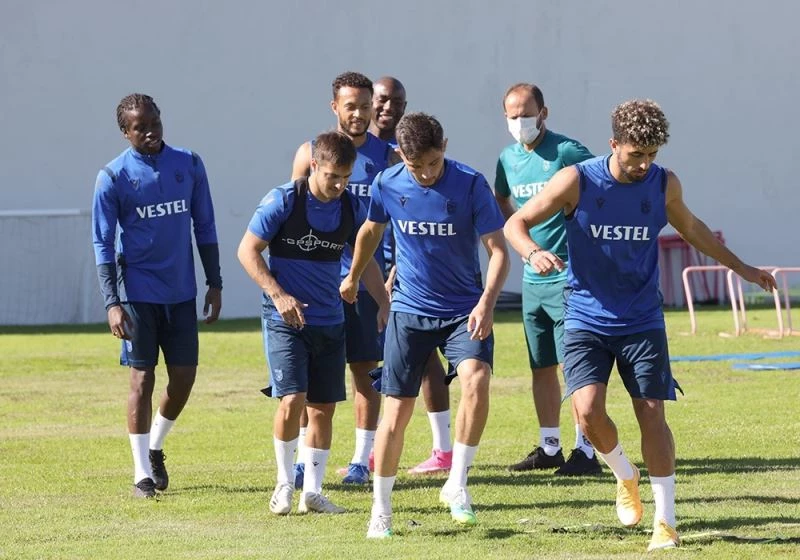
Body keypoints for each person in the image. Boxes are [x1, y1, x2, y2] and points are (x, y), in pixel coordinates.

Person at [503, 99, 777, 551]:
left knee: (652, 413)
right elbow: (517, 222)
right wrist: (532, 253)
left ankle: (665, 522)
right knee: (588, 414)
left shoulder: (664, 183)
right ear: (614, 144)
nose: (644, 164)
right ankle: (624, 473)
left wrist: (742, 268)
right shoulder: (577, 180)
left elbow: (693, 229)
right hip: (586, 315)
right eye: (636, 155)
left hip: (642, 318)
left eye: (652, 154)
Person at [341, 112, 510, 538]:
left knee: (476, 379)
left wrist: (487, 303)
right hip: (410, 311)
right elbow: (369, 232)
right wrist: (354, 275)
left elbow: (498, 251)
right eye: (417, 166)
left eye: (433, 163)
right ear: (401, 156)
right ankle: (381, 509)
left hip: (463, 310)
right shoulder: (387, 183)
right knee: (396, 412)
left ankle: (457, 483)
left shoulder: (471, 184)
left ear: (444, 147)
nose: (426, 173)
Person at [238, 131, 389, 515]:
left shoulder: (351, 207)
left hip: (330, 320)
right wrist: (278, 295)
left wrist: (383, 301)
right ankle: (284, 484)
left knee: (324, 408)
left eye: (346, 177)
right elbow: (247, 251)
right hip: (286, 320)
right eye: (332, 176)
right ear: (314, 166)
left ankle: (313, 493)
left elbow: (367, 258)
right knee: (293, 399)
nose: (339, 185)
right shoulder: (284, 201)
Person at [91, 93, 222, 498]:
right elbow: (102, 242)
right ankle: (141, 474)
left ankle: (155, 446)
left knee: (183, 377)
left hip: (180, 291)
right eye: (139, 127)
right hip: (137, 293)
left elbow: (205, 225)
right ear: (125, 132)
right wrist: (112, 302)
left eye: (155, 123)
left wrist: (214, 282)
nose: (150, 132)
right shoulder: (112, 176)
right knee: (142, 377)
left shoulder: (189, 163)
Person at [290, 72, 395, 486]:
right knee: (307, 377)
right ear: (335, 106)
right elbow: (293, 217)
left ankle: (361, 460)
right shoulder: (309, 153)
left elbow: (401, 220)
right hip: (316, 284)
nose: (359, 114)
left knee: (365, 371)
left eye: (366, 106)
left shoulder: (389, 157)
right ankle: (303, 460)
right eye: (351, 106)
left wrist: (391, 278)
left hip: (366, 280)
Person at [495, 83, 601, 476]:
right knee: (540, 366)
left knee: (575, 367)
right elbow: (502, 199)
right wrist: (523, 240)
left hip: (569, 278)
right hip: (532, 280)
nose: (519, 122)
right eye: (512, 116)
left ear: (543, 113)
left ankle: (586, 450)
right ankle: (550, 446)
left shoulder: (567, 151)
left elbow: (602, 187)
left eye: (526, 114)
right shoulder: (507, 158)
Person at [370, 76, 454, 475]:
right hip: (360, 270)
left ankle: (442, 450)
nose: (389, 107)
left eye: (398, 101)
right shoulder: (346, 149)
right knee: (366, 362)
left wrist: (396, 270)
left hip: (405, 276)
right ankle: (365, 451)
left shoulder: (412, 151)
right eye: (382, 100)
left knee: (424, 361)